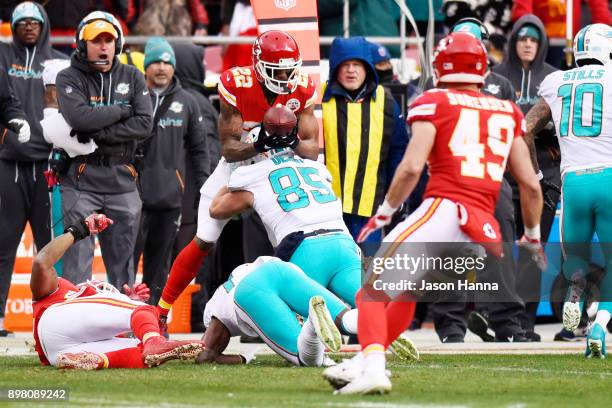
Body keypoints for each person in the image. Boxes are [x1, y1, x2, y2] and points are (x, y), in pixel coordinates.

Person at [325, 32, 543, 395]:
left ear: (442, 65)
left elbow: (411, 167)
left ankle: (374, 367)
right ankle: (366, 359)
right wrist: (533, 236)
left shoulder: (434, 100)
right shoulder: (507, 109)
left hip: (443, 211)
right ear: (481, 67)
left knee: (372, 291)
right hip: (480, 228)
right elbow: (530, 186)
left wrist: (387, 210)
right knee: (406, 294)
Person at [156, 30, 319, 326]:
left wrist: (289, 139)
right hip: (242, 164)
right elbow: (229, 149)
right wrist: (261, 142)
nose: (284, 77)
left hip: (280, 169)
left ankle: (313, 314)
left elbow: (311, 149)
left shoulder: (303, 86)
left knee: (302, 238)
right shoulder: (236, 83)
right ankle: (161, 311)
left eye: (288, 69)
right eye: (277, 70)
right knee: (205, 236)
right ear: (258, 67)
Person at [525, 23, 612, 358]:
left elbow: (525, 129)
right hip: (608, 177)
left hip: (572, 181)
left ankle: (575, 288)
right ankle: (600, 325)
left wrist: (535, 176)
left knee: (575, 256)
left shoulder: (555, 80)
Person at [31, 213, 205, 369]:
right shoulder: (60, 290)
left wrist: (130, 302)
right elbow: (41, 262)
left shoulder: (84, 310)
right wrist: (78, 230)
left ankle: (100, 360)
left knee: (143, 350)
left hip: (56, 354)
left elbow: (101, 326)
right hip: (55, 321)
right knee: (146, 315)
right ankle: (154, 340)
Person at [55, 11, 152, 288]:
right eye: (96, 40)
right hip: (81, 181)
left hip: (123, 180)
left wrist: (98, 133)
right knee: (77, 263)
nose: (103, 46)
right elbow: (79, 119)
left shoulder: (133, 75)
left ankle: (124, 326)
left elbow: (145, 124)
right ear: (82, 44)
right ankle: (74, 326)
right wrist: (122, 111)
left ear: (117, 44)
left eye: (109, 40)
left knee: (124, 267)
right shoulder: (68, 77)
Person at [492, 15, 560, 341]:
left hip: (544, 177)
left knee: (534, 250)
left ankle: (525, 323)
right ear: (513, 41)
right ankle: (501, 318)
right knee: (500, 249)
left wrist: (540, 126)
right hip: (503, 176)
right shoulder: (497, 77)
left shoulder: (554, 78)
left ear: (542, 43)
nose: (528, 44)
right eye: (522, 38)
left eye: (534, 39)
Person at [0, 1, 66, 337]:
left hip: (47, 166)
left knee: (48, 245)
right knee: (3, 241)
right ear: (12, 26)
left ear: (43, 26)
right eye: (21, 22)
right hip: (9, 163)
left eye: (34, 22)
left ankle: (51, 317)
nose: (28, 27)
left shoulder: (58, 62)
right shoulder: (1, 56)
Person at [133, 37, 210, 305]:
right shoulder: (134, 96)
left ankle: (152, 319)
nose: (162, 68)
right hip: (132, 197)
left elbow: (201, 150)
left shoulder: (188, 103)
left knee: (159, 266)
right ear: (146, 67)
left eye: (167, 62)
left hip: (169, 198)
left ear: (174, 67)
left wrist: (204, 188)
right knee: (125, 264)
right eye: (155, 62)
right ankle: (121, 319)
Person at [322, 36, 408, 246]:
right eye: (345, 65)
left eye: (357, 64)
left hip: (370, 209)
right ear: (335, 68)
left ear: (368, 68)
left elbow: (397, 151)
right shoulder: (318, 100)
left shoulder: (387, 101)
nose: (351, 70)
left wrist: (396, 195)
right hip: (326, 209)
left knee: (366, 273)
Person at [196, 256, 347, 367]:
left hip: (252, 289)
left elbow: (204, 355)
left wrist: (244, 358)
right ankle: (369, 346)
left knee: (307, 358)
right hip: (286, 265)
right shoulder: (243, 271)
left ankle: (311, 323)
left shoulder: (218, 308)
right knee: (349, 315)